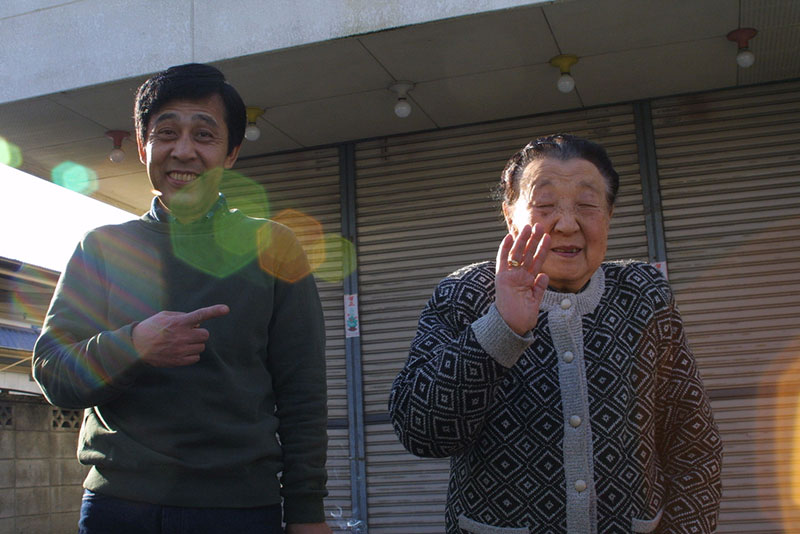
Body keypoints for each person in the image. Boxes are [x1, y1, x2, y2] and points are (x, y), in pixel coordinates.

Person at [33, 63, 331, 534]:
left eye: (204, 136)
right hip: (119, 506)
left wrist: (306, 512)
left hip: (240, 509)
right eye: (166, 132)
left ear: (231, 153)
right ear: (142, 144)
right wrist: (133, 346)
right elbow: (52, 370)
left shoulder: (274, 246)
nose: (183, 151)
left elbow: (303, 395)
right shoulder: (103, 247)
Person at [389, 134, 722, 534]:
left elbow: (694, 445)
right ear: (510, 215)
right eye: (545, 206)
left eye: (587, 205)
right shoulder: (465, 293)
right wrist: (501, 327)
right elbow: (420, 431)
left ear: (609, 214)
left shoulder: (643, 294)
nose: (567, 224)